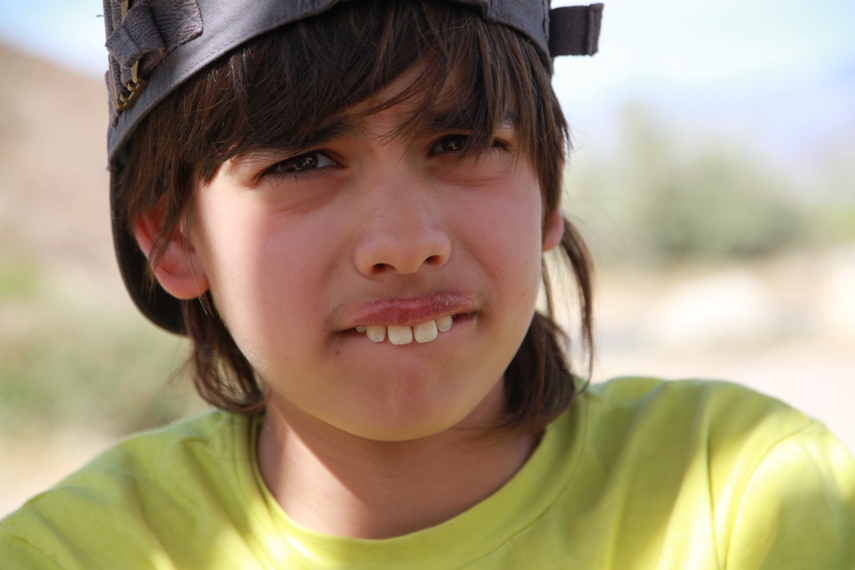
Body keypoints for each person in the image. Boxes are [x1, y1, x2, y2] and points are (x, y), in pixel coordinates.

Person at [2, 0, 853, 567]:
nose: (405, 245)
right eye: (304, 160)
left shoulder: (739, 496)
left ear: (547, 193)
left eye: (461, 143)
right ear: (174, 239)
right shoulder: (75, 553)